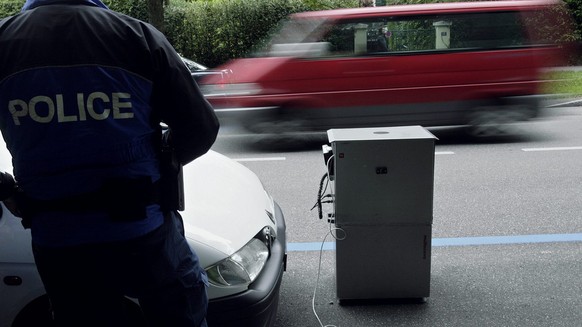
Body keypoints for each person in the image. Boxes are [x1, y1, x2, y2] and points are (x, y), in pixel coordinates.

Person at [0, 0, 219, 326]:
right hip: (143, 232)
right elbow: (201, 128)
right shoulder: (136, 36)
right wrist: (159, 163)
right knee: (180, 311)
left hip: (57, 240)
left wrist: (7, 191)